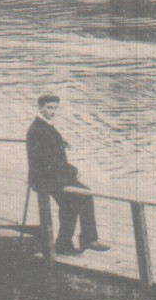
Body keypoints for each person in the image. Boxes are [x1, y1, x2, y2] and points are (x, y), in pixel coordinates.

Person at [26, 94, 108, 256]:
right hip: (46, 178)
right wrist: (74, 171)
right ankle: (87, 240)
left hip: (48, 175)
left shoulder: (43, 125)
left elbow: (49, 149)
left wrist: (60, 143)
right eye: (49, 108)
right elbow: (49, 161)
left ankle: (65, 245)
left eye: (55, 108)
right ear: (40, 107)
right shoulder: (38, 129)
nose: (53, 111)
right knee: (84, 195)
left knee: (71, 205)